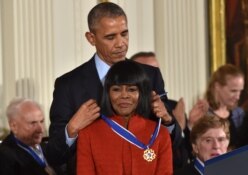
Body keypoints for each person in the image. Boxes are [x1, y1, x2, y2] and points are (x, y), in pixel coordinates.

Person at [47, 2, 181, 174]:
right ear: (91, 38)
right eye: (111, 37)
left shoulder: (150, 76)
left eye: (124, 34)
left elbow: (175, 144)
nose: (121, 43)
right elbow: (54, 156)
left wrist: (168, 120)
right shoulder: (68, 85)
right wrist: (72, 129)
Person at [77, 60, 173, 175]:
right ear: (107, 93)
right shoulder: (89, 134)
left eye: (131, 89)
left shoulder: (160, 134)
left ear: (142, 93)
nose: (124, 96)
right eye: (116, 89)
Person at [130, 51, 189, 169]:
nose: (152, 76)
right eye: (146, 71)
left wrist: (173, 124)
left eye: (156, 70)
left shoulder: (173, 108)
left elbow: (181, 160)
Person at [188, 64, 245, 150]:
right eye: (233, 91)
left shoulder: (239, 113)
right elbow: (192, 148)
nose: (238, 97)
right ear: (217, 86)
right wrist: (191, 124)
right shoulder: (202, 114)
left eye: (240, 91)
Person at [0, 98, 56, 175]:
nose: (41, 129)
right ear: (13, 126)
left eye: (42, 121)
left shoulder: (45, 147)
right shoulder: (5, 157)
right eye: (33, 123)